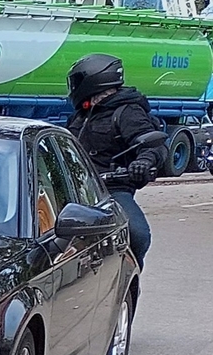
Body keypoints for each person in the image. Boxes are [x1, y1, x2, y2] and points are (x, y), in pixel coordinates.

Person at [66, 53, 160, 266]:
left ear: (93, 80)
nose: (73, 87)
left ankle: (128, 278)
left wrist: (143, 162)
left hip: (110, 190)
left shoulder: (127, 112)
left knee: (137, 234)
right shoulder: (82, 115)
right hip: (74, 189)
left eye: (77, 81)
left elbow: (152, 145)